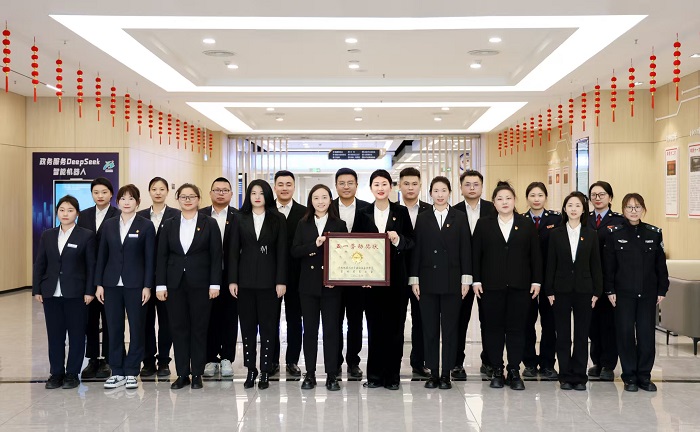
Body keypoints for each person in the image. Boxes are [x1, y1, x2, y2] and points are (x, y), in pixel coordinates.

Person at [472, 181, 542, 391]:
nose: (504, 202)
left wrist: (536, 280)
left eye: (508, 198)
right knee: (493, 329)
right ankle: (496, 369)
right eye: (500, 199)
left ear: (514, 201)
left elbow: (535, 255)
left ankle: (513, 370)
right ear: (494, 202)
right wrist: (476, 280)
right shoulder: (484, 224)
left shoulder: (526, 224)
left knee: (517, 329)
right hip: (490, 287)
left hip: (520, 286)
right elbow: (476, 254)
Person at [155, 183, 222, 390]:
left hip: (202, 284)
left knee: (199, 329)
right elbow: (162, 256)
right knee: (178, 328)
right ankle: (182, 373)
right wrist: (160, 285)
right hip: (174, 284)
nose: (187, 200)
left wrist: (215, 284)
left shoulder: (209, 223)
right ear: (178, 199)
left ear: (198, 199)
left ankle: (197, 373)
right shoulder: (169, 223)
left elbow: (216, 255)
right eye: (183, 196)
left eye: (192, 196)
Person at [409, 177, 472, 390]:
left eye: (443, 190)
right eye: (436, 190)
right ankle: (433, 372)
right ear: (430, 193)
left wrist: (466, 278)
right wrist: (414, 278)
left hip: (453, 280)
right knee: (429, 328)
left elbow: (465, 249)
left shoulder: (459, 217)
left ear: (450, 192)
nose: (440, 194)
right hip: (427, 280)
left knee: (450, 329)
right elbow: (417, 250)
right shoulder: (423, 217)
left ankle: (446, 373)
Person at [604, 193, 669, 392]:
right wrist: (610, 289)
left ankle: (644, 376)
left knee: (646, 335)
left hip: (648, 294)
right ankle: (629, 376)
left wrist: (662, 289)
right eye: (629, 207)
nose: (633, 211)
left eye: (637, 207)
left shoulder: (653, 233)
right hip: (623, 293)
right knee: (625, 334)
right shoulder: (614, 233)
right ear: (623, 210)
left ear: (643, 209)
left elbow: (660, 265)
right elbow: (609, 266)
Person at [94, 184, 156, 390]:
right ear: (117, 201)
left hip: (136, 285)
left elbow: (150, 258)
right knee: (113, 328)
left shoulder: (146, 225)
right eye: (123, 198)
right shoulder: (109, 225)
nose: (126, 202)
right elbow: (102, 256)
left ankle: (131, 370)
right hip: (111, 284)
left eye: (131, 198)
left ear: (138, 202)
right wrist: (99, 284)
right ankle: (117, 370)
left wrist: (147, 286)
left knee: (137, 327)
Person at [228, 180, 287, 390]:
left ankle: (265, 370)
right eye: (253, 193)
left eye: (261, 193)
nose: (257, 197)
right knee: (247, 327)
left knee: (268, 327)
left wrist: (281, 281)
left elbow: (282, 252)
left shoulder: (277, 218)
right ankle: (251, 369)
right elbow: (233, 252)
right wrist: (232, 280)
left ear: (267, 195)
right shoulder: (239, 218)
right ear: (248, 196)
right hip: (244, 282)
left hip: (270, 283)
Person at [33, 195, 96, 389]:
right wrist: (37, 288)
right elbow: (40, 263)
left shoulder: (86, 235)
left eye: (70, 210)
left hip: (77, 293)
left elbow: (91, 266)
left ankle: (72, 374)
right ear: (57, 213)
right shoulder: (48, 235)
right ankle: (56, 373)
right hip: (51, 293)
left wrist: (90, 291)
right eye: (62, 210)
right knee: (55, 336)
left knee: (76, 335)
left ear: (77, 213)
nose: (65, 214)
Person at [291, 184, 347, 391]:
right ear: (311, 201)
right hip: (308, 285)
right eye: (316, 198)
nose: (320, 201)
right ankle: (310, 373)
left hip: (332, 286)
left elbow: (346, 255)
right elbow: (295, 251)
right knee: (310, 331)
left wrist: (337, 278)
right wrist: (314, 245)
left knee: (332, 330)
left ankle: (332, 375)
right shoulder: (303, 223)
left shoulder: (339, 224)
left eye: (324, 197)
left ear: (330, 200)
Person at [361, 169, 414, 390]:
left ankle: (392, 377)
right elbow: (357, 246)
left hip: (396, 281)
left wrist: (398, 239)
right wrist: (361, 276)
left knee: (395, 329)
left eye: (384, 184)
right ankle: (374, 376)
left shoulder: (401, 212)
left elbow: (411, 242)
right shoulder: (363, 213)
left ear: (391, 187)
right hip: (371, 282)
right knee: (374, 328)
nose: (380, 188)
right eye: (376, 184)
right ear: (371, 188)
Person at [545, 192, 602, 391]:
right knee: (563, 335)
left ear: (584, 210)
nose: (574, 209)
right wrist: (549, 289)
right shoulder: (556, 234)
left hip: (584, 290)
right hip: (560, 290)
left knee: (581, 335)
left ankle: (579, 376)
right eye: (570, 205)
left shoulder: (591, 234)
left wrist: (597, 291)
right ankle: (565, 376)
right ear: (564, 209)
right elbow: (550, 263)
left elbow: (596, 265)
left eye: (578, 205)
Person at [452, 170, 496, 379]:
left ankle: (489, 361)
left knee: (489, 320)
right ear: (461, 188)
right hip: (460, 275)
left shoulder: (492, 209)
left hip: (487, 274)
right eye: (467, 184)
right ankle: (456, 363)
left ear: (481, 186)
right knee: (459, 320)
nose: (471, 188)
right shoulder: (453, 211)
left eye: (475, 184)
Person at [137, 176, 180, 378]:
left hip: (167, 278)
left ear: (167, 192)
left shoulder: (176, 215)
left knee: (166, 321)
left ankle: (163, 360)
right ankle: (147, 361)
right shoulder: (139, 216)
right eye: (154, 189)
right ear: (149, 192)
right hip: (143, 278)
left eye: (162, 189)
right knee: (145, 321)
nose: (158, 192)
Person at [333, 167, 373, 380]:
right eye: (342, 183)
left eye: (350, 183)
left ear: (357, 185)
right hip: (334, 277)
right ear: (336, 185)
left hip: (359, 276)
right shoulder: (328, 207)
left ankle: (353, 362)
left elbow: (373, 242)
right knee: (334, 321)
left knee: (355, 321)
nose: (346, 187)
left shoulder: (367, 208)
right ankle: (335, 361)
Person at [78, 177, 120, 380]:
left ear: (111, 194)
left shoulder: (118, 214)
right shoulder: (84, 215)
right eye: (96, 192)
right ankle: (93, 358)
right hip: (88, 275)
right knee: (90, 320)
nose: (100, 196)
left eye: (104, 192)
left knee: (110, 318)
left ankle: (109, 359)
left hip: (110, 274)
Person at [521, 182, 561, 380]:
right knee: (526, 322)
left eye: (540, 195)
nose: (536, 199)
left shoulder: (556, 219)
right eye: (532, 195)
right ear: (527, 198)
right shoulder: (520, 220)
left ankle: (547, 363)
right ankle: (529, 363)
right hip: (526, 279)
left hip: (550, 278)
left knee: (550, 322)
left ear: (546, 197)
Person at [201, 177, 239, 379]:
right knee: (208, 317)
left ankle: (226, 358)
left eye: (225, 190)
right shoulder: (200, 215)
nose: (221, 193)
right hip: (205, 276)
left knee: (230, 317)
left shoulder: (239, 216)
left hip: (231, 276)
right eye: (217, 190)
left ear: (231, 194)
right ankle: (210, 358)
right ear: (210, 193)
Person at [587, 181, 625, 381]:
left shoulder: (619, 220)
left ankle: (608, 364)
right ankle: (597, 361)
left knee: (609, 323)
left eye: (602, 194)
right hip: (589, 279)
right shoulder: (585, 219)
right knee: (592, 323)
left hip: (611, 279)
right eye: (594, 195)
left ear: (610, 197)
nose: (598, 198)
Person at [398, 167, 431, 378]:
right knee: (397, 319)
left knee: (421, 320)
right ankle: (394, 362)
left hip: (424, 273)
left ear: (420, 186)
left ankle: (419, 362)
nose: (410, 188)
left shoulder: (429, 210)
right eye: (406, 184)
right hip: (398, 273)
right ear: (399, 185)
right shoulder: (392, 210)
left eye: (414, 184)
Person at [273, 170, 306, 378]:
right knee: (271, 320)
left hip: (297, 275)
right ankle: (272, 360)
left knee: (295, 319)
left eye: (288, 184)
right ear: (274, 187)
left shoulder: (304, 212)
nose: (284, 188)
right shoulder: (266, 210)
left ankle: (292, 360)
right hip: (270, 274)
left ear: (294, 187)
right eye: (281, 184)